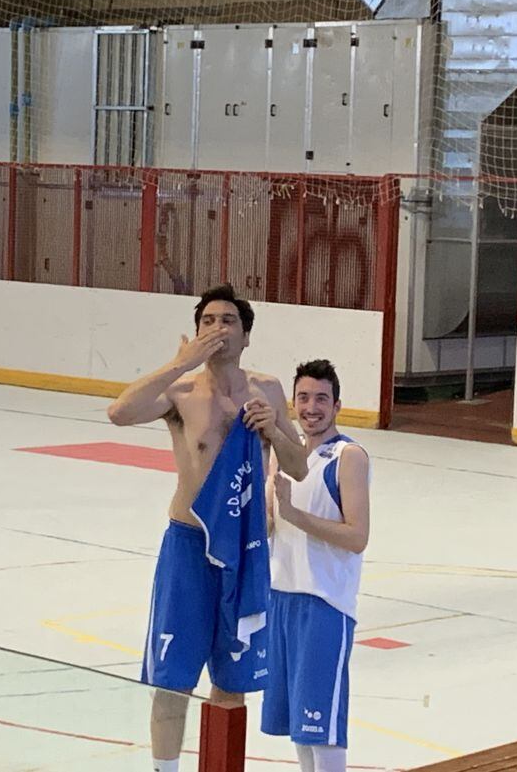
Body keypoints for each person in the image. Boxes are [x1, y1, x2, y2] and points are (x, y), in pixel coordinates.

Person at [107, 284, 309, 772]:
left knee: (233, 679)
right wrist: (179, 362)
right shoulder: (179, 393)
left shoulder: (269, 391)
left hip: (245, 548)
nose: (218, 329)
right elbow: (119, 412)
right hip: (189, 546)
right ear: (195, 332)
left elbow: (299, 467)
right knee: (173, 677)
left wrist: (276, 431)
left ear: (246, 336)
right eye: (208, 321)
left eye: (228, 322)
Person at [261, 359, 371, 772]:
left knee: (322, 729)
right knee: (300, 730)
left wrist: (296, 515)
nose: (312, 407)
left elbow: (357, 537)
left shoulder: (348, 456)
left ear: (337, 405)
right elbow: (271, 526)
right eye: (304, 398)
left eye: (321, 398)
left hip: (325, 605)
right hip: (281, 600)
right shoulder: (281, 458)